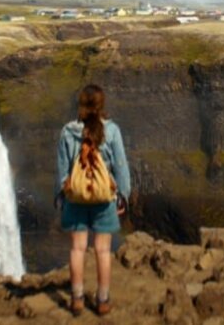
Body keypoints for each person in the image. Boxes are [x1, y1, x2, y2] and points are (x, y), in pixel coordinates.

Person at [55, 84, 131, 317]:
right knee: (102, 250)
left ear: (80, 105)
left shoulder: (68, 131)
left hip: (76, 199)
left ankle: (77, 298)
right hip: (103, 199)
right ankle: (103, 300)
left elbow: (62, 170)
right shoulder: (112, 131)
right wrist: (123, 196)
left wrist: (61, 196)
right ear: (101, 105)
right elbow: (120, 167)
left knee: (77, 248)